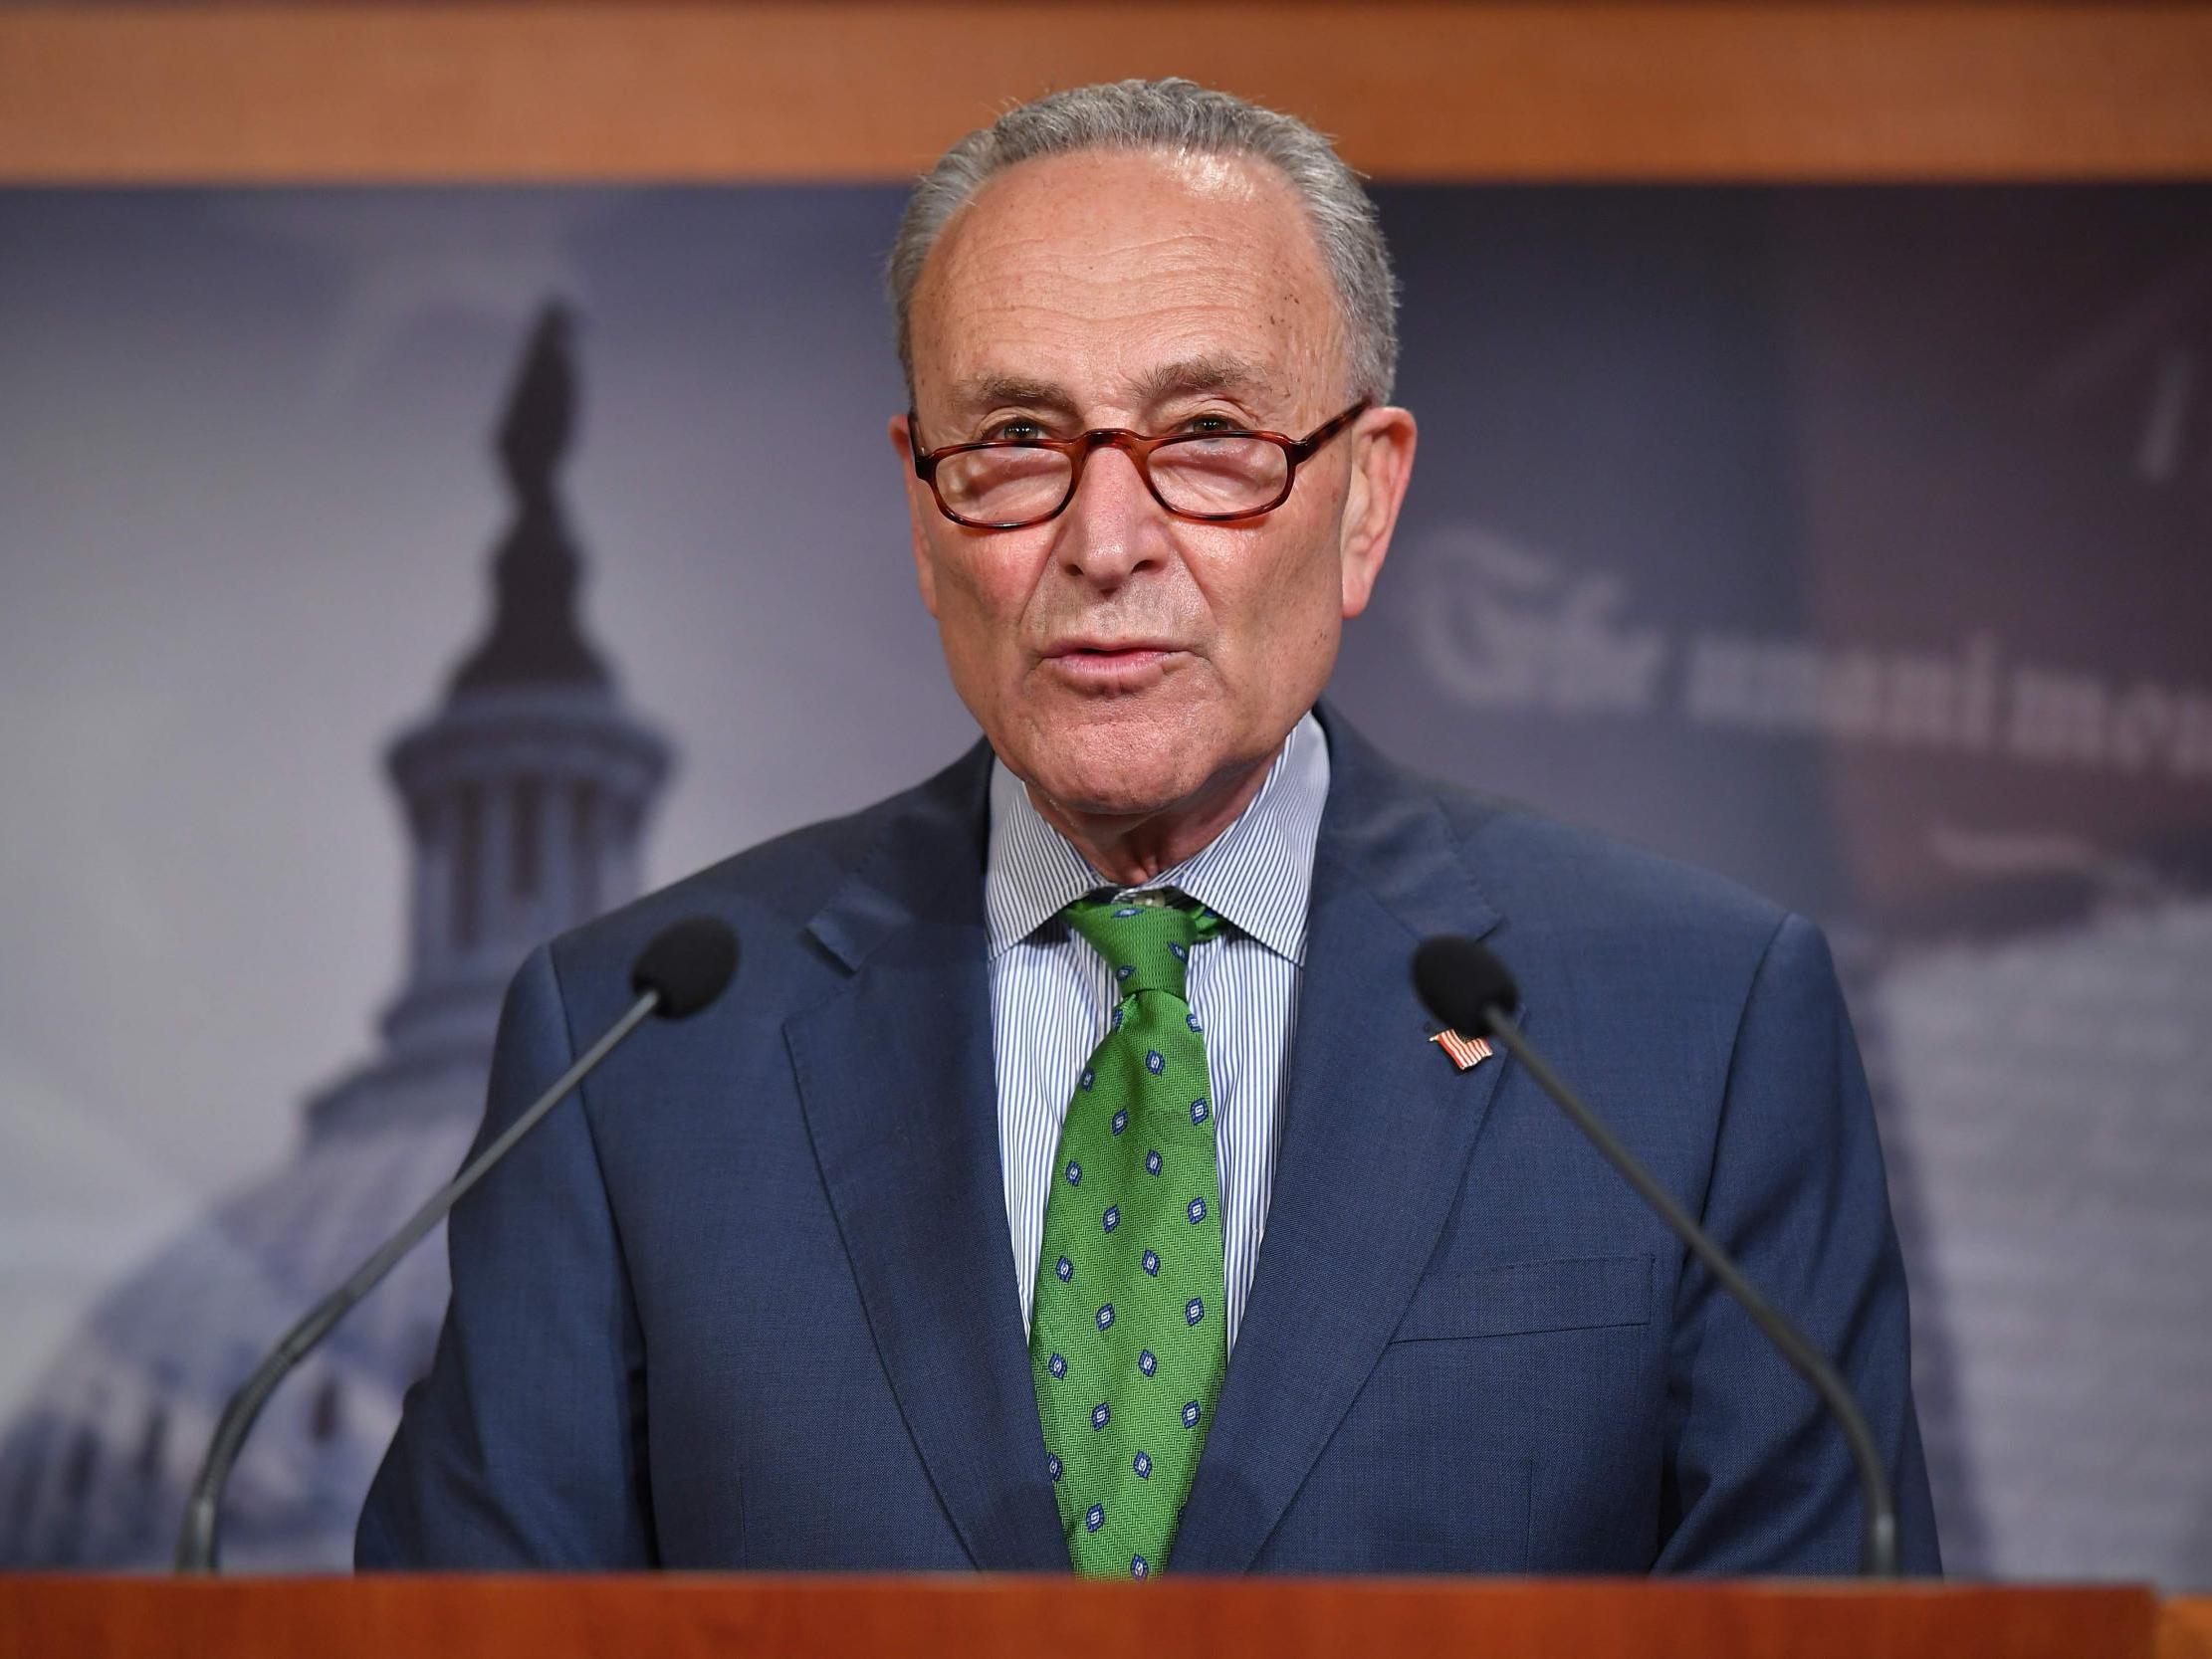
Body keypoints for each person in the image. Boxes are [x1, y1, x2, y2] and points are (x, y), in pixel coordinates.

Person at [358, 78, 1939, 1576]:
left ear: (1364, 500)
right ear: (924, 512)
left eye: (1204, 440)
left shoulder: (1690, 1028)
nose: (1104, 540)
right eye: (1016, 446)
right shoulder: (638, 1048)